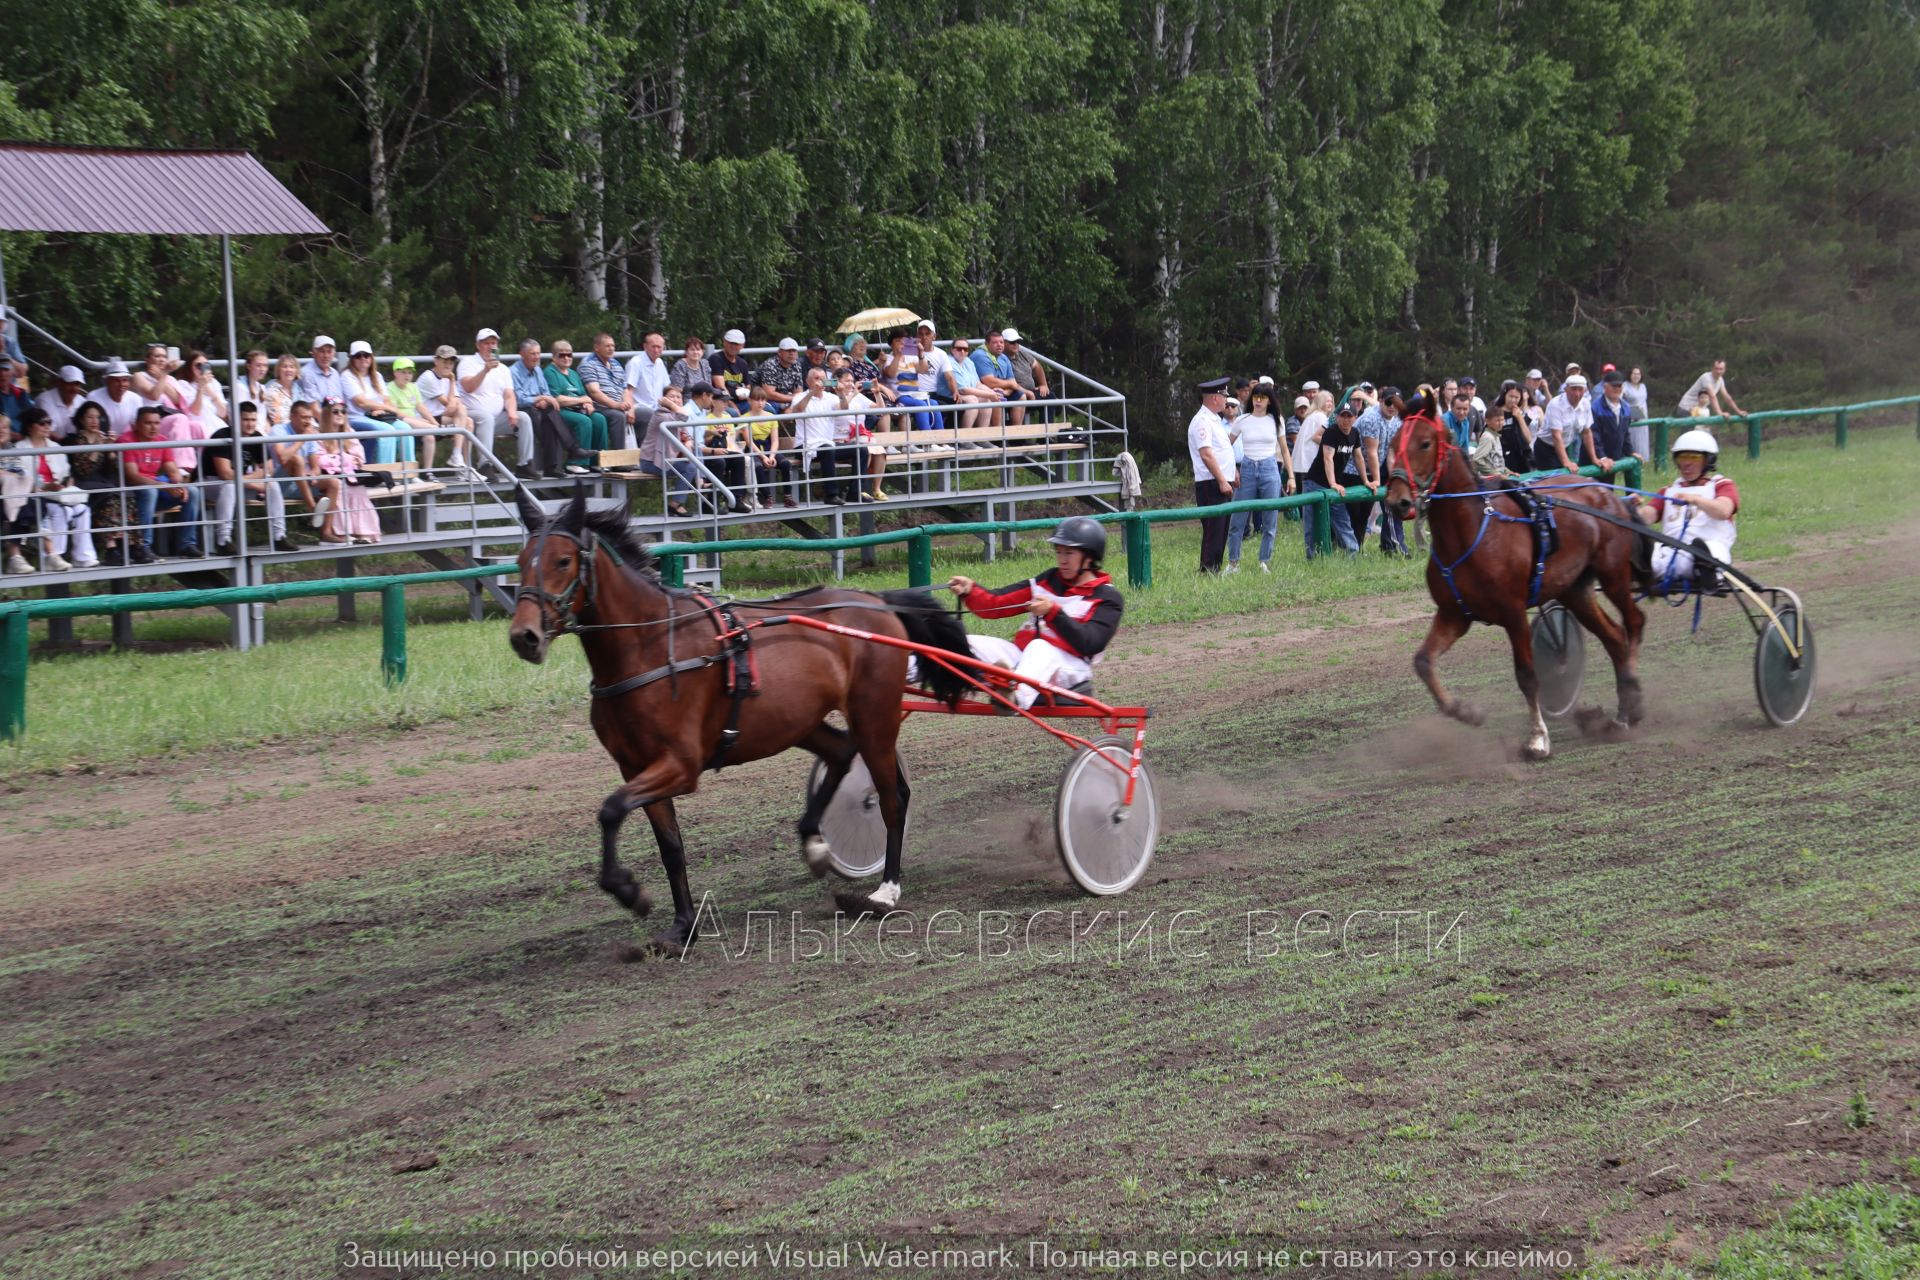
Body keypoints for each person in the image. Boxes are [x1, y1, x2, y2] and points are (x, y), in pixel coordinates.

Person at [947, 516, 1123, 710]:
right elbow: (997, 603)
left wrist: (1053, 613)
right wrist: (970, 590)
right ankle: (916, 671)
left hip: (1069, 670)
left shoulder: (1107, 597)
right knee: (966, 641)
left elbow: (1090, 643)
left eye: (1069, 553)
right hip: (1025, 661)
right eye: (1059, 552)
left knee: (1040, 646)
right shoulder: (1047, 581)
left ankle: (1013, 696)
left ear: (1089, 557)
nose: (1062, 560)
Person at [1635, 429, 1738, 591]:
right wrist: (1633, 509)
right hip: (1669, 554)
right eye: (1682, 457)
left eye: (1694, 457)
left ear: (1708, 460)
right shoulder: (1668, 491)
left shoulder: (1721, 485)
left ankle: (1705, 570)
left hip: (1709, 550)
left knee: (1710, 551)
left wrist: (1695, 499)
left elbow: (1724, 510)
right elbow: (1646, 517)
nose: (1686, 463)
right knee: (1644, 549)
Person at [118, 404, 204, 563]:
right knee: (150, 491)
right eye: (148, 423)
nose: (153, 427)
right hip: (131, 493)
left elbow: (172, 470)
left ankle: (187, 544)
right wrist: (164, 486)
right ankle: (143, 547)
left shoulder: (162, 440)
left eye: (157, 423)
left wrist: (178, 484)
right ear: (136, 424)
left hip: (154, 489)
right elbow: (132, 476)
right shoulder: (126, 440)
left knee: (191, 490)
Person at [15, 408, 98, 571]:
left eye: (49, 423)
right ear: (30, 427)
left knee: (82, 508)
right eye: (42, 423)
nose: (47, 426)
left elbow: (66, 472)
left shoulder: (55, 446)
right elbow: (21, 479)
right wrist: (45, 487)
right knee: (60, 510)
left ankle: (83, 557)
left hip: (58, 493)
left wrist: (67, 482)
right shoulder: (19, 449)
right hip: (35, 495)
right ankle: (52, 556)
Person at [207, 402, 293, 554]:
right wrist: (253, 484)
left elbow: (269, 468)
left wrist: (250, 481)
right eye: (246, 420)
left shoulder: (256, 437)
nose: (250, 424)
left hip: (237, 483)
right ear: (236, 420)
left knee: (271, 484)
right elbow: (225, 474)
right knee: (230, 485)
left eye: (253, 420)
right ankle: (223, 540)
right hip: (209, 482)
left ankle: (279, 536)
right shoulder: (222, 436)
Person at [1226, 382, 1290, 572]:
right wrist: (1232, 469)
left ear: (1269, 400)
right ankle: (1233, 562)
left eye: (1262, 397)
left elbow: (1285, 450)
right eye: (1255, 397)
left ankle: (1264, 561)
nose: (1258, 400)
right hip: (1247, 467)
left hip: (1269, 467)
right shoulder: (1242, 419)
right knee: (1238, 517)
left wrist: (1292, 477)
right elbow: (1226, 446)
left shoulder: (1276, 419)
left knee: (1270, 518)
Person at [65, 401, 127, 562]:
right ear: (81, 419)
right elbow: (83, 471)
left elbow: (112, 468)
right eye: (90, 417)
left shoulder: (102, 437)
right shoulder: (76, 440)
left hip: (103, 483)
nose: (94, 421)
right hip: (83, 484)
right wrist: (97, 446)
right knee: (110, 497)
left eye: (98, 417)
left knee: (126, 495)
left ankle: (132, 547)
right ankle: (111, 548)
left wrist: (110, 448)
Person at [1187, 377, 1237, 573]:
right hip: (1211, 483)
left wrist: (1234, 472)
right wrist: (1222, 480)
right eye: (1224, 396)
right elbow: (1206, 454)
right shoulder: (1202, 421)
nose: (1227, 400)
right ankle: (1207, 570)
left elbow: (1221, 450)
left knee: (1221, 529)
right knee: (1213, 530)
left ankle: (1215, 568)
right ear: (1215, 398)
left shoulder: (1214, 420)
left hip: (1220, 480)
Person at [311, 406, 380, 544]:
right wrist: (345, 458)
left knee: (358, 490)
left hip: (349, 475)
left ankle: (362, 532)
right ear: (326, 415)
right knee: (341, 490)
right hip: (328, 477)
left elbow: (359, 458)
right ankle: (341, 532)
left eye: (343, 411)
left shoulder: (350, 433)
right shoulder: (318, 435)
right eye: (335, 412)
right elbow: (320, 460)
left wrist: (337, 457)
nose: (340, 414)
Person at [455, 329, 517, 481]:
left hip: (496, 418)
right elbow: (469, 387)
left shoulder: (503, 369)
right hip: (472, 414)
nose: (490, 346)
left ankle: (524, 464)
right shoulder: (467, 363)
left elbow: (509, 395)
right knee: (486, 417)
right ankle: (484, 464)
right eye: (486, 343)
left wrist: (512, 412)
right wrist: (485, 370)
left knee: (524, 419)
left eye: (493, 343)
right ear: (478, 345)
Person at [544, 340, 608, 474]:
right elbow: (557, 399)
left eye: (569, 355)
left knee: (599, 419)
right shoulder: (550, 372)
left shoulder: (573, 374)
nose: (566, 358)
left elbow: (584, 395)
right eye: (562, 355)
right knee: (583, 421)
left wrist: (588, 404)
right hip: (559, 411)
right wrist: (580, 400)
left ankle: (598, 461)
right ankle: (575, 462)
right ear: (554, 357)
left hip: (578, 409)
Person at [509, 339, 570, 478]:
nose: (536, 357)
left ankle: (553, 465)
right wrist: (538, 399)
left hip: (538, 409)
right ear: (522, 354)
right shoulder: (513, 372)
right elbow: (518, 399)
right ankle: (567, 452)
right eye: (532, 354)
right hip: (520, 409)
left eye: (538, 353)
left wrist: (543, 399)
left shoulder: (538, 369)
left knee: (551, 415)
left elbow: (546, 392)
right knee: (548, 421)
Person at [341, 341, 409, 463]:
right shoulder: (347, 376)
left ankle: (409, 472)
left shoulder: (376, 376)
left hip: (378, 416)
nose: (363, 359)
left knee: (405, 428)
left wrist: (382, 409)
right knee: (387, 431)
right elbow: (361, 402)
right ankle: (385, 474)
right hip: (356, 417)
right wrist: (383, 408)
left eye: (366, 355)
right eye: (358, 356)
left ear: (371, 357)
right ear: (352, 359)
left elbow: (386, 400)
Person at [416, 345, 476, 474]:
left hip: (440, 418)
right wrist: (453, 381)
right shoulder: (428, 378)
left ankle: (463, 467)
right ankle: (456, 456)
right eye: (445, 362)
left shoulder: (449, 379)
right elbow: (451, 407)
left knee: (468, 421)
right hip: (425, 420)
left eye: (451, 363)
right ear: (436, 361)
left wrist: (452, 382)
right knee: (461, 412)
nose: (448, 366)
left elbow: (455, 403)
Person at [1314, 403, 1363, 555]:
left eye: (1349, 416)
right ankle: (1314, 555)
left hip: (1332, 483)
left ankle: (1352, 552)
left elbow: (1358, 456)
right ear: (1337, 417)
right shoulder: (1331, 432)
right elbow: (1328, 458)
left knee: (1342, 518)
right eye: (1343, 416)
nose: (1346, 419)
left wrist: (1366, 480)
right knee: (1311, 524)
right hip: (1315, 481)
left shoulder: (1355, 433)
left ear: (1355, 418)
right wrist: (1333, 483)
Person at [580, 332, 637, 448]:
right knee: (618, 416)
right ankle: (620, 460)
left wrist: (629, 408)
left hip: (620, 406)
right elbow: (594, 392)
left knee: (647, 415)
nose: (611, 349)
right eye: (607, 346)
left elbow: (625, 389)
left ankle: (644, 457)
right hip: (601, 407)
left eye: (613, 346)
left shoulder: (615, 363)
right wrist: (616, 405)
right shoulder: (588, 364)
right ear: (597, 348)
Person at [383, 357, 440, 472]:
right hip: (398, 421)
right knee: (407, 422)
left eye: (409, 373)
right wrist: (422, 422)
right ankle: (436, 428)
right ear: (395, 373)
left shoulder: (413, 387)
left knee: (429, 436)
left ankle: (428, 471)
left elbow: (421, 407)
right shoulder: (389, 388)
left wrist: (434, 421)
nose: (407, 376)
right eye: (403, 372)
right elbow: (396, 413)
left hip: (415, 421)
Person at [1535, 373, 1595, 472]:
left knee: (1566, 479)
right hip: (1546, 448)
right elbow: (1556, 436)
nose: (1577, 394)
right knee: (1554, 482)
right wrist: (1566, 462)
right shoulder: (1555, 404)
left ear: (1585, 391)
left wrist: (1594, 459)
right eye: (1574, 389)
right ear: (1566, 389)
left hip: (1564, 446)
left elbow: (1587, 432)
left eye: (1580, 390)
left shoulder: (1586, 404)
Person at [970, 331, 1024, 427]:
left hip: (1002, 391)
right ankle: (998, 435)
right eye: (995, 342)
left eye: (1001, 342)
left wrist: (1007, 392)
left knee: (1021, 396)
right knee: (998, 395)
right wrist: (1009, 386)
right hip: (983, 391)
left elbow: (1013, 382)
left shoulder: (1003, 357)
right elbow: (990, 382)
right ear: (987, 344)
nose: (999, 345)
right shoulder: (980, 355)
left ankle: (1017, 437)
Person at [1590, 370, 1636, 467]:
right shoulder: (1595, 407)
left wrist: (1630, 452)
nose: (1616, 389)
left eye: (1619, 386)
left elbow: (1625, 433)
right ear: (1605, 387)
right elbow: (1594, 435)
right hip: (1594, 461)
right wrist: (1602, 457)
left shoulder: (1626, 407)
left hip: (1612, 460)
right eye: (1613, 386)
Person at [1003, 327, 1049, 423]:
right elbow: (1009, 383)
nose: (1016, 344)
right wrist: (1028, 393)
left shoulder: (1022, 353)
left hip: (1030, 391)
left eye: (1018, 342)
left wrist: (1043, 384)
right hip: (1014, 392)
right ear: (1004, 343)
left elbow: (1037, 366)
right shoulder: (1001, 358)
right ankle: (1017, 436)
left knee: (1049, 396)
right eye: (1012, 342)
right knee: (1020, 396)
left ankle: (1045, 436)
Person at [86, 359, 143, 435]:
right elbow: (89, 427)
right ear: (107, 381)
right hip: (100, 440)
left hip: (125, 441)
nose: (121, 384)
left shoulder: (136, 399)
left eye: (125, 380)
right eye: (116, 380)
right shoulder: (93, 397)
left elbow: (136, 427)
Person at [1678, 359, 1746, 419]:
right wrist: (1720, 413)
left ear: (1724, 370)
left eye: (1721, 369)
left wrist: (1738, 411)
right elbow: (1712, 396)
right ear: (1712, 368)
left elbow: (1726, 397)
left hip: (1699, 410)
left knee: (1702, 431)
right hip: (1687, 408)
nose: (1718, 371)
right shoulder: (1706, 377)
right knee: (1690, 433)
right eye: (1716, 368)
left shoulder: (1720, 380)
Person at [706, 328, 753, 413]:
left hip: (742, 402)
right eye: (731, 343)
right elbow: (721, 388)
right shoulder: (716, 359)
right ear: (724, 342)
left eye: (737, 344)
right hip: (720, 402)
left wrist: (747, 395)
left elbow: (748, 385)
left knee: (766, 409)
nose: (733, 346)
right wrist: (732, 405)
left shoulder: (743, 363)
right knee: (734, 413)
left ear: (742, 345)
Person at [35, 366, 89, 439]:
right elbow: (46, 431)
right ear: (59, 382)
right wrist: (67, 445)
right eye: (70, 383)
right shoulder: (44, 400)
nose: (74, 388)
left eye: (77, 384)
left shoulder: (82, 402)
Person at [1472, 404, 1512, 480]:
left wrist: (1507, 471)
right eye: (1497, 420)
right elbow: (1477, 459)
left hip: (1498, 477)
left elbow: (1496, 460)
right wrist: (1495, 474)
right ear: (1487, 421)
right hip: (1491, 481)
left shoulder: (1496, 435)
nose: (1501, 423)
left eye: (1502, 420)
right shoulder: (1488, 437)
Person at [262, 353, 301, 428]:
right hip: (283, 430)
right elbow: (278, 420)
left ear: (296, 371)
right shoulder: (272, 389)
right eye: (284, 366)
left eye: (292, 367)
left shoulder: (298, 389)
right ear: (279, 370)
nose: (288, 370)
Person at [1623, 367, 1651, 458]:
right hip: (1632, 416)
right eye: (1634, 374)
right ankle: (1631, 457)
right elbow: (1620, 400)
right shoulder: (1625, 385)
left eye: (1638, 374)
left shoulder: (1643, 386)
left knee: (1642, 439)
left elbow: (1644, 401)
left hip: (1643, 416)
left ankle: (1643, 459)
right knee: (1633, 438)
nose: (1636, 376)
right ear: (1630, 375)